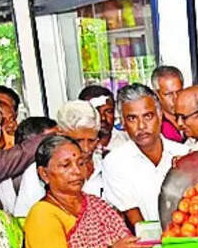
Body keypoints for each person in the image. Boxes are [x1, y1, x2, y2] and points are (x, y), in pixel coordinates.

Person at [102, 84, 191, 228]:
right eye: (132, 118)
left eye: (148, 116)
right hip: (148, 247)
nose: (141, 126)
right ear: (123, 123)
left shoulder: (184, 154)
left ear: (160, 116)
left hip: (191, 241)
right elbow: (136, 221)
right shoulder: (115, 162)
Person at [78, 84, 130, 155]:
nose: (103, 118)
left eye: (108, 111)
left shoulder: (128, 142)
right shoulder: (75, 147)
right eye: (96, 112)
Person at [151, 65, 185, 143]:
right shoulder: (155, 125)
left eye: (179, 92)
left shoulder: (194, 115)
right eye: (168, 94)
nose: (175, 98)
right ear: (156, 94)